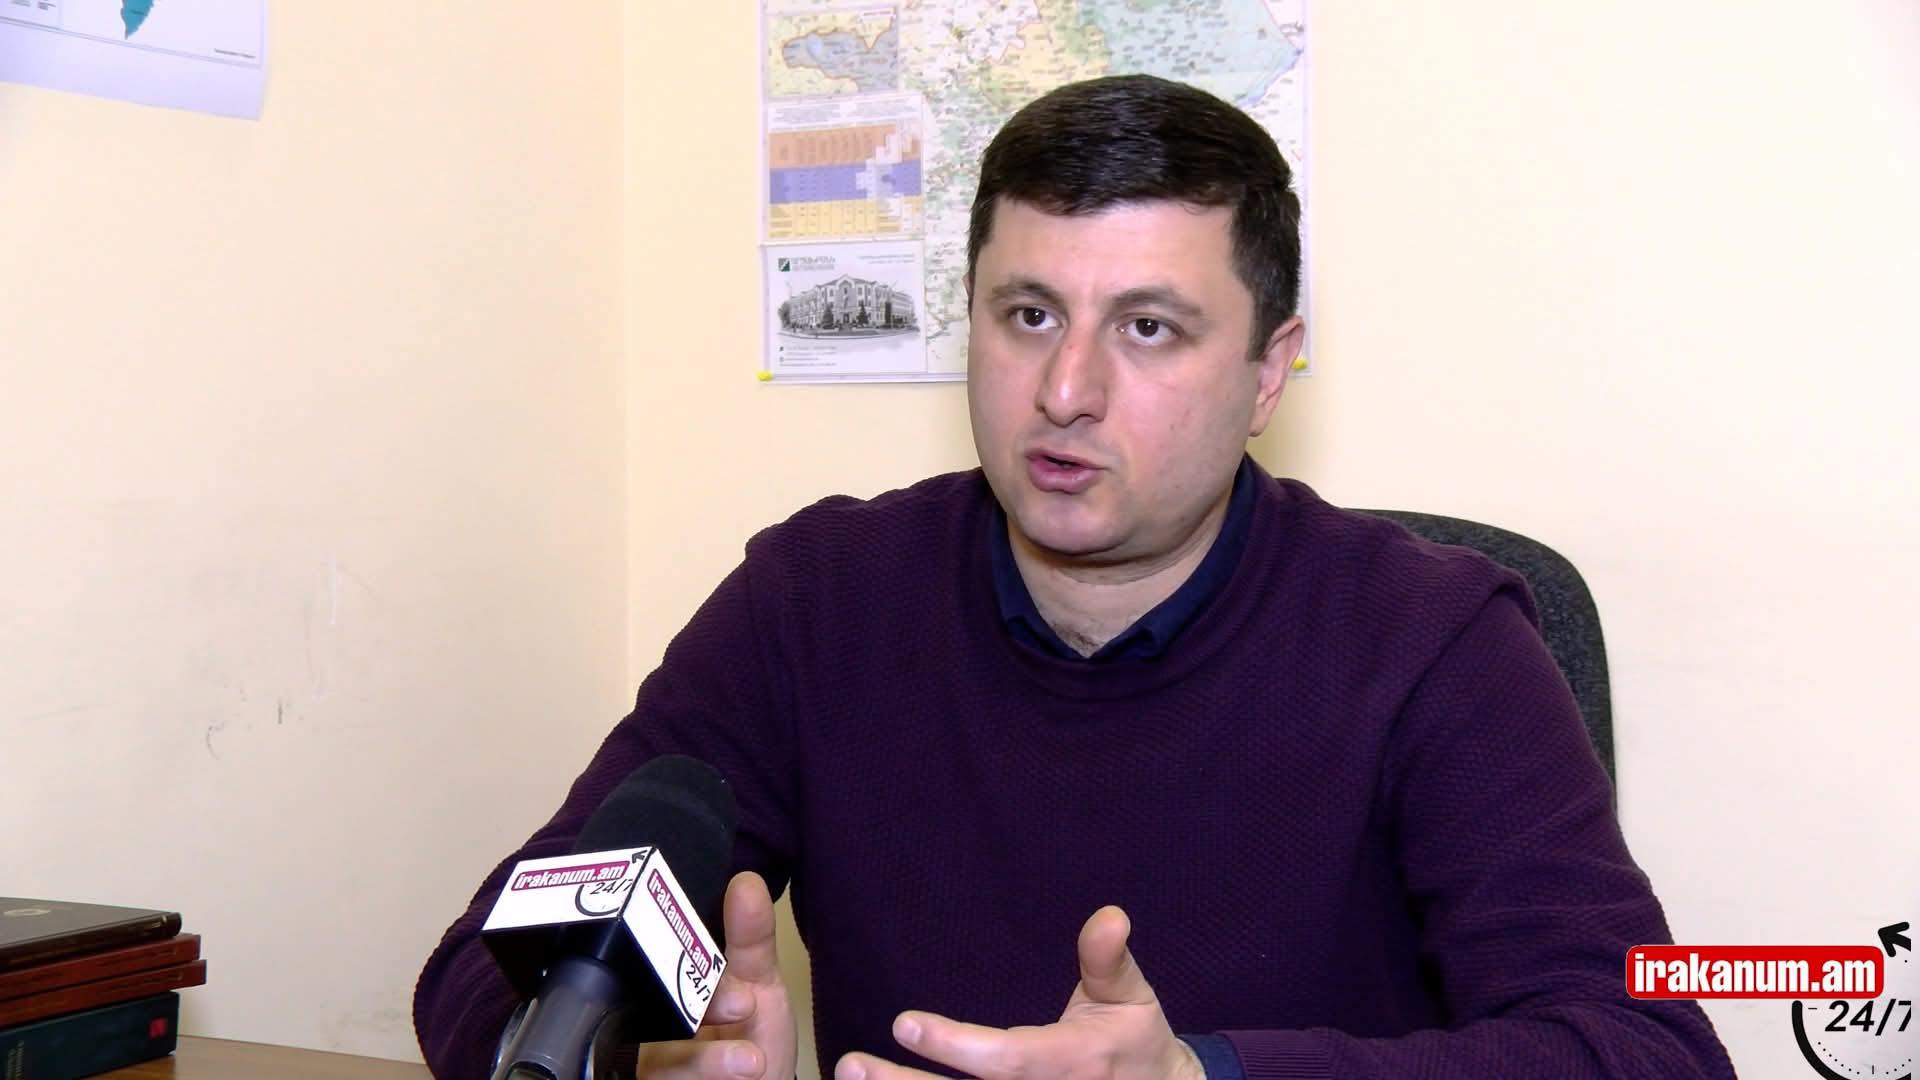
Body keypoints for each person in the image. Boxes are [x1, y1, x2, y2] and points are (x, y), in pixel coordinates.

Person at [414, 75, 1735, 1079]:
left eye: (1147, 328)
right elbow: (476, 975)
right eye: (1029, 314)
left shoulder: (1434, 639)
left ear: (1269, 372)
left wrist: (1200, 1078)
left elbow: (1650, 1051)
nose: (1065, 390)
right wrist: (621, 1057)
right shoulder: (817, 604)